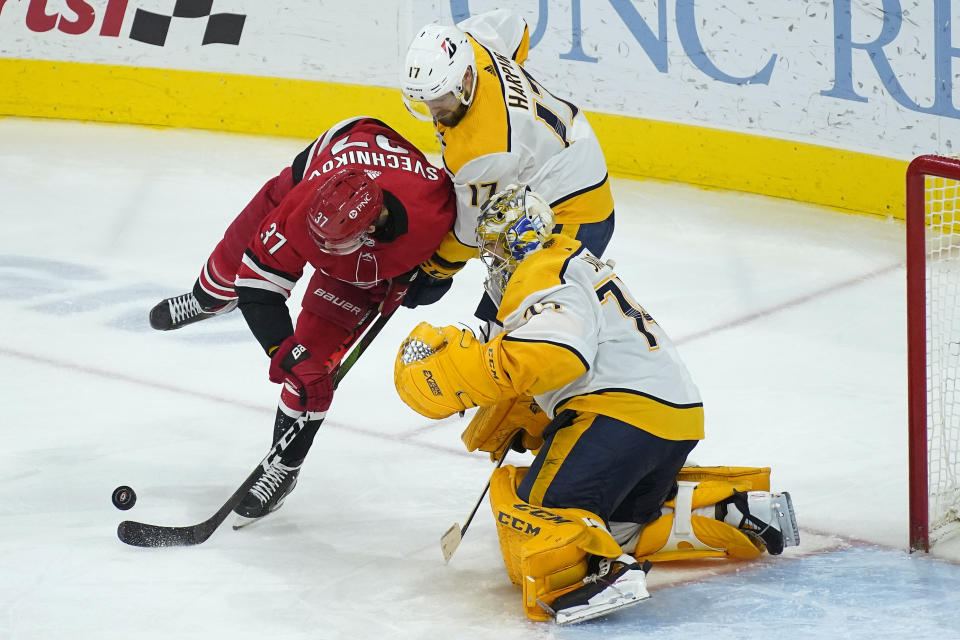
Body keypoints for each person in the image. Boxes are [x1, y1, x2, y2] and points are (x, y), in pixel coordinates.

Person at [394, 185, 799, 624]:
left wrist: (473, 371)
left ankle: (612, 574)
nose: (490, 260)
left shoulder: (540, 269)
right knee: (615, 529)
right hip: (671, 418)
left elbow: (559, 351)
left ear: (516, 240)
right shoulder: (574, 263)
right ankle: (731, 510)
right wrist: (524, 407)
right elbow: (572, 354)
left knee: (538, 516)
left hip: (619, 413)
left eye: (493, 247)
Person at [148, 116, 457, 525]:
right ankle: (209, 299)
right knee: (229, 272)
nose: (321, 250)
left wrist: (427, 277)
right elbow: (258, 287)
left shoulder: (433, 213)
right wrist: (283, 352)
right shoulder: (301, 208)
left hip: (377, 264)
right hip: (332, 157)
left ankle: (284, 465)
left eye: (336, 245)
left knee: (311, 375)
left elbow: (458, 252)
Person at [398, 9, 616, 322]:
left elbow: (470, 235)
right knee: (506, 318)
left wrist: (435, 270)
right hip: (573, 152)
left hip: (574, 214)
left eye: (441, 99)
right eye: (425, 102)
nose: (434, 112)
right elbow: (516, 27)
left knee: (518, 325)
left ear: (466, 78)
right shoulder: (472, 44)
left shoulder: (483, 149)